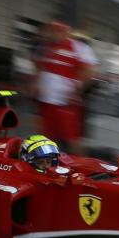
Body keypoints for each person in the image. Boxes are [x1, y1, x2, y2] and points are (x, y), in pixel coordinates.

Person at [33, 20, 99, 154]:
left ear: (66, 32)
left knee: (72, 139)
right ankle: (46, 166)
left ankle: (81, 167)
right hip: (46, 102)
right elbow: (39, 67)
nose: (54, 34)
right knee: (45, 137)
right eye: (52, 31)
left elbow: (91, 71)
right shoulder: (46, 48)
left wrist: (76, 90)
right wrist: (35, 83)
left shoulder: (78, 47)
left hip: (66, 104)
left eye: (58, 31)